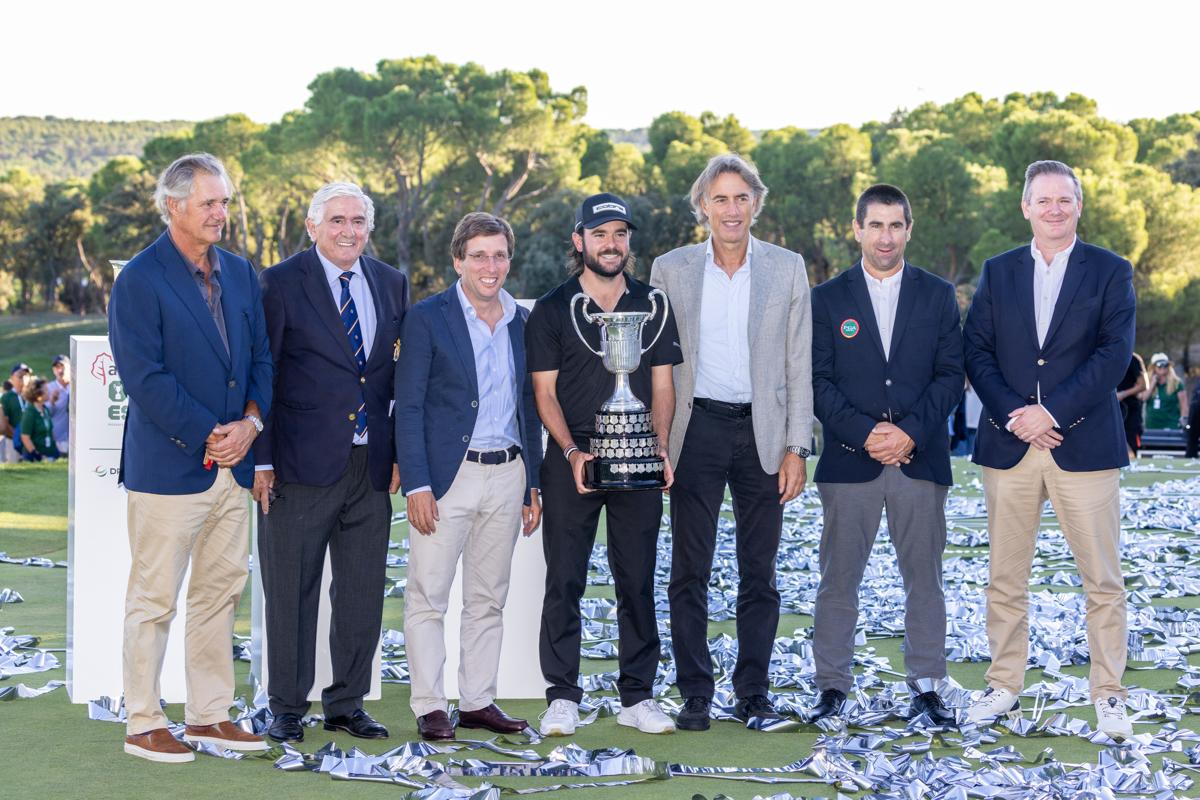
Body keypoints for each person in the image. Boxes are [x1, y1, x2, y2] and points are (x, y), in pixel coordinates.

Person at [108, 153, 273, 762]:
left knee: (219, 594)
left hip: (235, 467)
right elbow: (144, 378)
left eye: (225, 201)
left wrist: (251, 426)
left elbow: (261, 359)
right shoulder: (139, 279)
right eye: (209, 203)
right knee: (153, 599)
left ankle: (208, 716)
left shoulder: (238, 271)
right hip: (171, 469)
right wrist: (212, 433)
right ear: (173, 206)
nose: (221, 213)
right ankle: (143, 720)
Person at [962, 160, 1136, 740]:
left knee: (1102, 582)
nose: (1055, 209)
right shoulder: (998, 270)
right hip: (1009, 447)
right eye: (1044, 200)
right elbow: (976, 351)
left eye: (1065, 199)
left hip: (1082, 446)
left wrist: (1051, 413)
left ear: (1079, 206)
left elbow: (1113, 355)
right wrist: (1018, 416)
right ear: (1026, 207)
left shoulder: (1111, 271)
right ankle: (1004, 684)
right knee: (1005, 578)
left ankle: (1108, 694)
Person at [649, 154, 813, 730]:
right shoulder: (669, 269)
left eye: (741, 197)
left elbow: (799, 362)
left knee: (758, 574)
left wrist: (798, 445)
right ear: (702, 207)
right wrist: (659, 443)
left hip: (763, 437)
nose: (731, 209)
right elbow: (657, 367)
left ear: (755, 203)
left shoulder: (788, 268)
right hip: (696, 435)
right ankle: (695, 692)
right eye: (719, 198)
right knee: (688, 570)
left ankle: (753, 694)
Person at [252, 182, 409, 743]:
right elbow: (262, 373)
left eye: (359, 221)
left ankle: (347, 703)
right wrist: (261, 460)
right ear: (313, 226)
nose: (349, 231)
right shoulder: (278, 282)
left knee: (362, 593)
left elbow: (393, 379)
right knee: (292, 591)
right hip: (296, 466)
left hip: (370, 467)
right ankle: (287, 707)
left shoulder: (392, 282)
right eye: (338, 220)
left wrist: (400, 458)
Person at [805, 184, 962, 726]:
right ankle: (832, 686)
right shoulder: (826, 298)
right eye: (876, 225)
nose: (886, 236)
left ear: (909, 230)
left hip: (920, 461)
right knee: (838, 578)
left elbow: (950, 376)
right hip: (851, 463)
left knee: (925, 578)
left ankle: (926, 684)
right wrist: (865, 433)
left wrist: (909, 434)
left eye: (896, 225)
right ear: (857, 229)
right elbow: (818, 381)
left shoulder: (939, 295)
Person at [527, 192, 682, 736]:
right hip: (574, 458)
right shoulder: (551, 308)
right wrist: (572, 452)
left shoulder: (653, 303)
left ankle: (637, 695)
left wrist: (658, 449)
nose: (611, 244)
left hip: (637, 455)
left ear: (628, 241)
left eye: (619, 234)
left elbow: (662, 385)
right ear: (579, 241)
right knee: (564, 578)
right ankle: (562, 695)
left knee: (636, 579)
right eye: (599, 234)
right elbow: (543, 394)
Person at [396, 212, 544, 741]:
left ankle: (478, 700)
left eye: (499, 254)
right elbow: (407, 406)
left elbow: (530, 406)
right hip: (445, 479)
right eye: (478, 255)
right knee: (429, 597)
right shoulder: (427, 318)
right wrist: (417, 483)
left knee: (488, 598)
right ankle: (432, 705)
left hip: (508, 474)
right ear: (458, 260)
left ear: (510, 259)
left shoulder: (523, 321)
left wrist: (534, 484)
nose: (490, 265)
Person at [1140, 352, 1187, 431]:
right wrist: (1152, 384)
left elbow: (1184, 406)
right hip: (1152, 426)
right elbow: (1143, 398)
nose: (1162, 367)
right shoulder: (1147, 382)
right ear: (1154, 367)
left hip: (1171, 425)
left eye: (1165, 365)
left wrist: (1183, 424)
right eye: (1159, 365)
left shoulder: (1177, 383)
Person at [19, 375, 61, 461]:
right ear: (37, 393)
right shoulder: (29, 412)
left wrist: (55, 449)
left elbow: (49, 431)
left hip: (50, 454)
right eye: (45, 390)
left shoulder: (45, 409)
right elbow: (25, 437)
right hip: (35, 458)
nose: (48, 392)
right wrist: (37, 455)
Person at [1117, 354, 1147, 459]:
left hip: (1130, 408)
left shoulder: (1132, 358)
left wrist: (1122, 394)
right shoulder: (1105, 356)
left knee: (1131, 441)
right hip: (1112, 408)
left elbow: (1143, 384)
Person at [1, 363, 30, 463]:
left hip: (30, 442)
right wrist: (18, 436)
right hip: (12, 441)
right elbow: (4, 422)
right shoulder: (7, 397)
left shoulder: (31, 396)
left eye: (26, 375)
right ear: (12, 378)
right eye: (20, 376)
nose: (23, 378)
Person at [47, 355, 71, 455]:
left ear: (70, 368)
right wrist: (51, 401)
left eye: (62, 366)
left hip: (77, 436)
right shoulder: (49, 388)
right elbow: (45, 413)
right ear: (53, 370)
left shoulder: (78, 385)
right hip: (57, 437)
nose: (60, 370)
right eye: (57, 367)